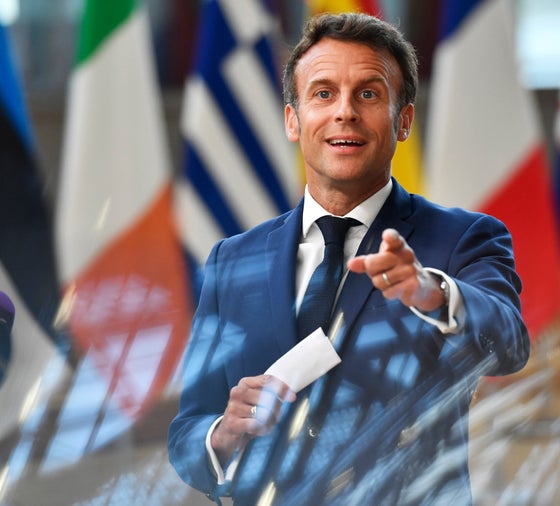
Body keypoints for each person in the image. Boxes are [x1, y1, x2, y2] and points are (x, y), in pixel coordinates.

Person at [168, 12, 529, 506]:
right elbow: (188, 429)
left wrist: (435, 293)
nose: (345, 112)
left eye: (368, 94)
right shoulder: (232, 262)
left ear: (403, 121)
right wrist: (223, 433)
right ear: (293, 121)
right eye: (322, 93)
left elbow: (509, 342)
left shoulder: (464, 238)